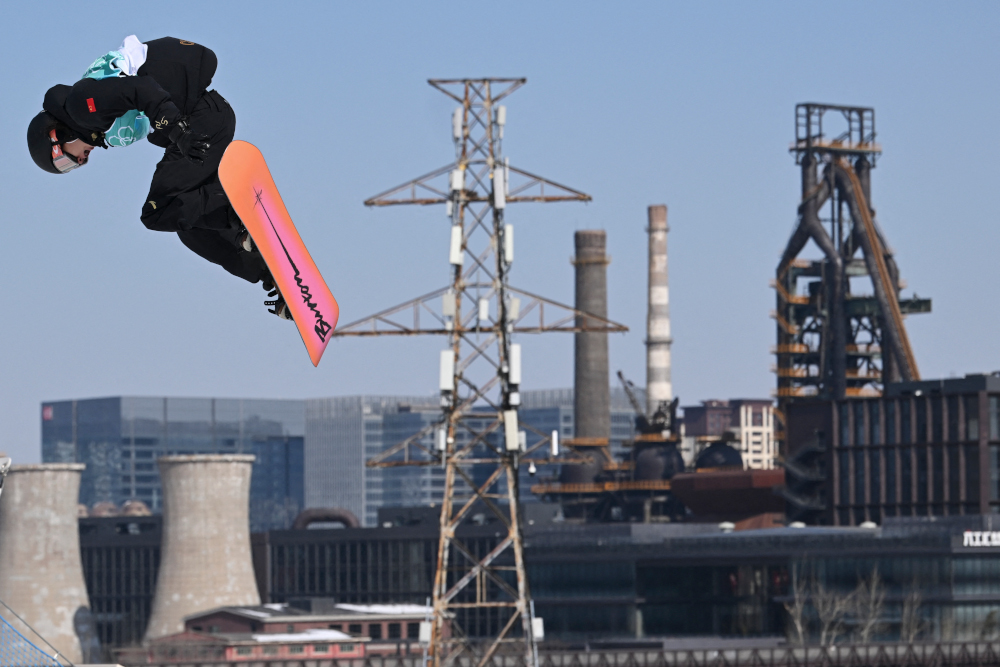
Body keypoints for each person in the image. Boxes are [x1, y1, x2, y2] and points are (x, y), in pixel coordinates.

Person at [26, 36, 291, 319]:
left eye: (64, 161)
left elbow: (141, 89)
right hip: (198, 127)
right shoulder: (93, 123)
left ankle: (239, 212)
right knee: (188, 227)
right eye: (71, 168)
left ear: (57, 137)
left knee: (158, 213)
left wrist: (177, 131)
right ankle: (275, 276)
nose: (80, 161)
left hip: (198, 124)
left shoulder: (81, 105)